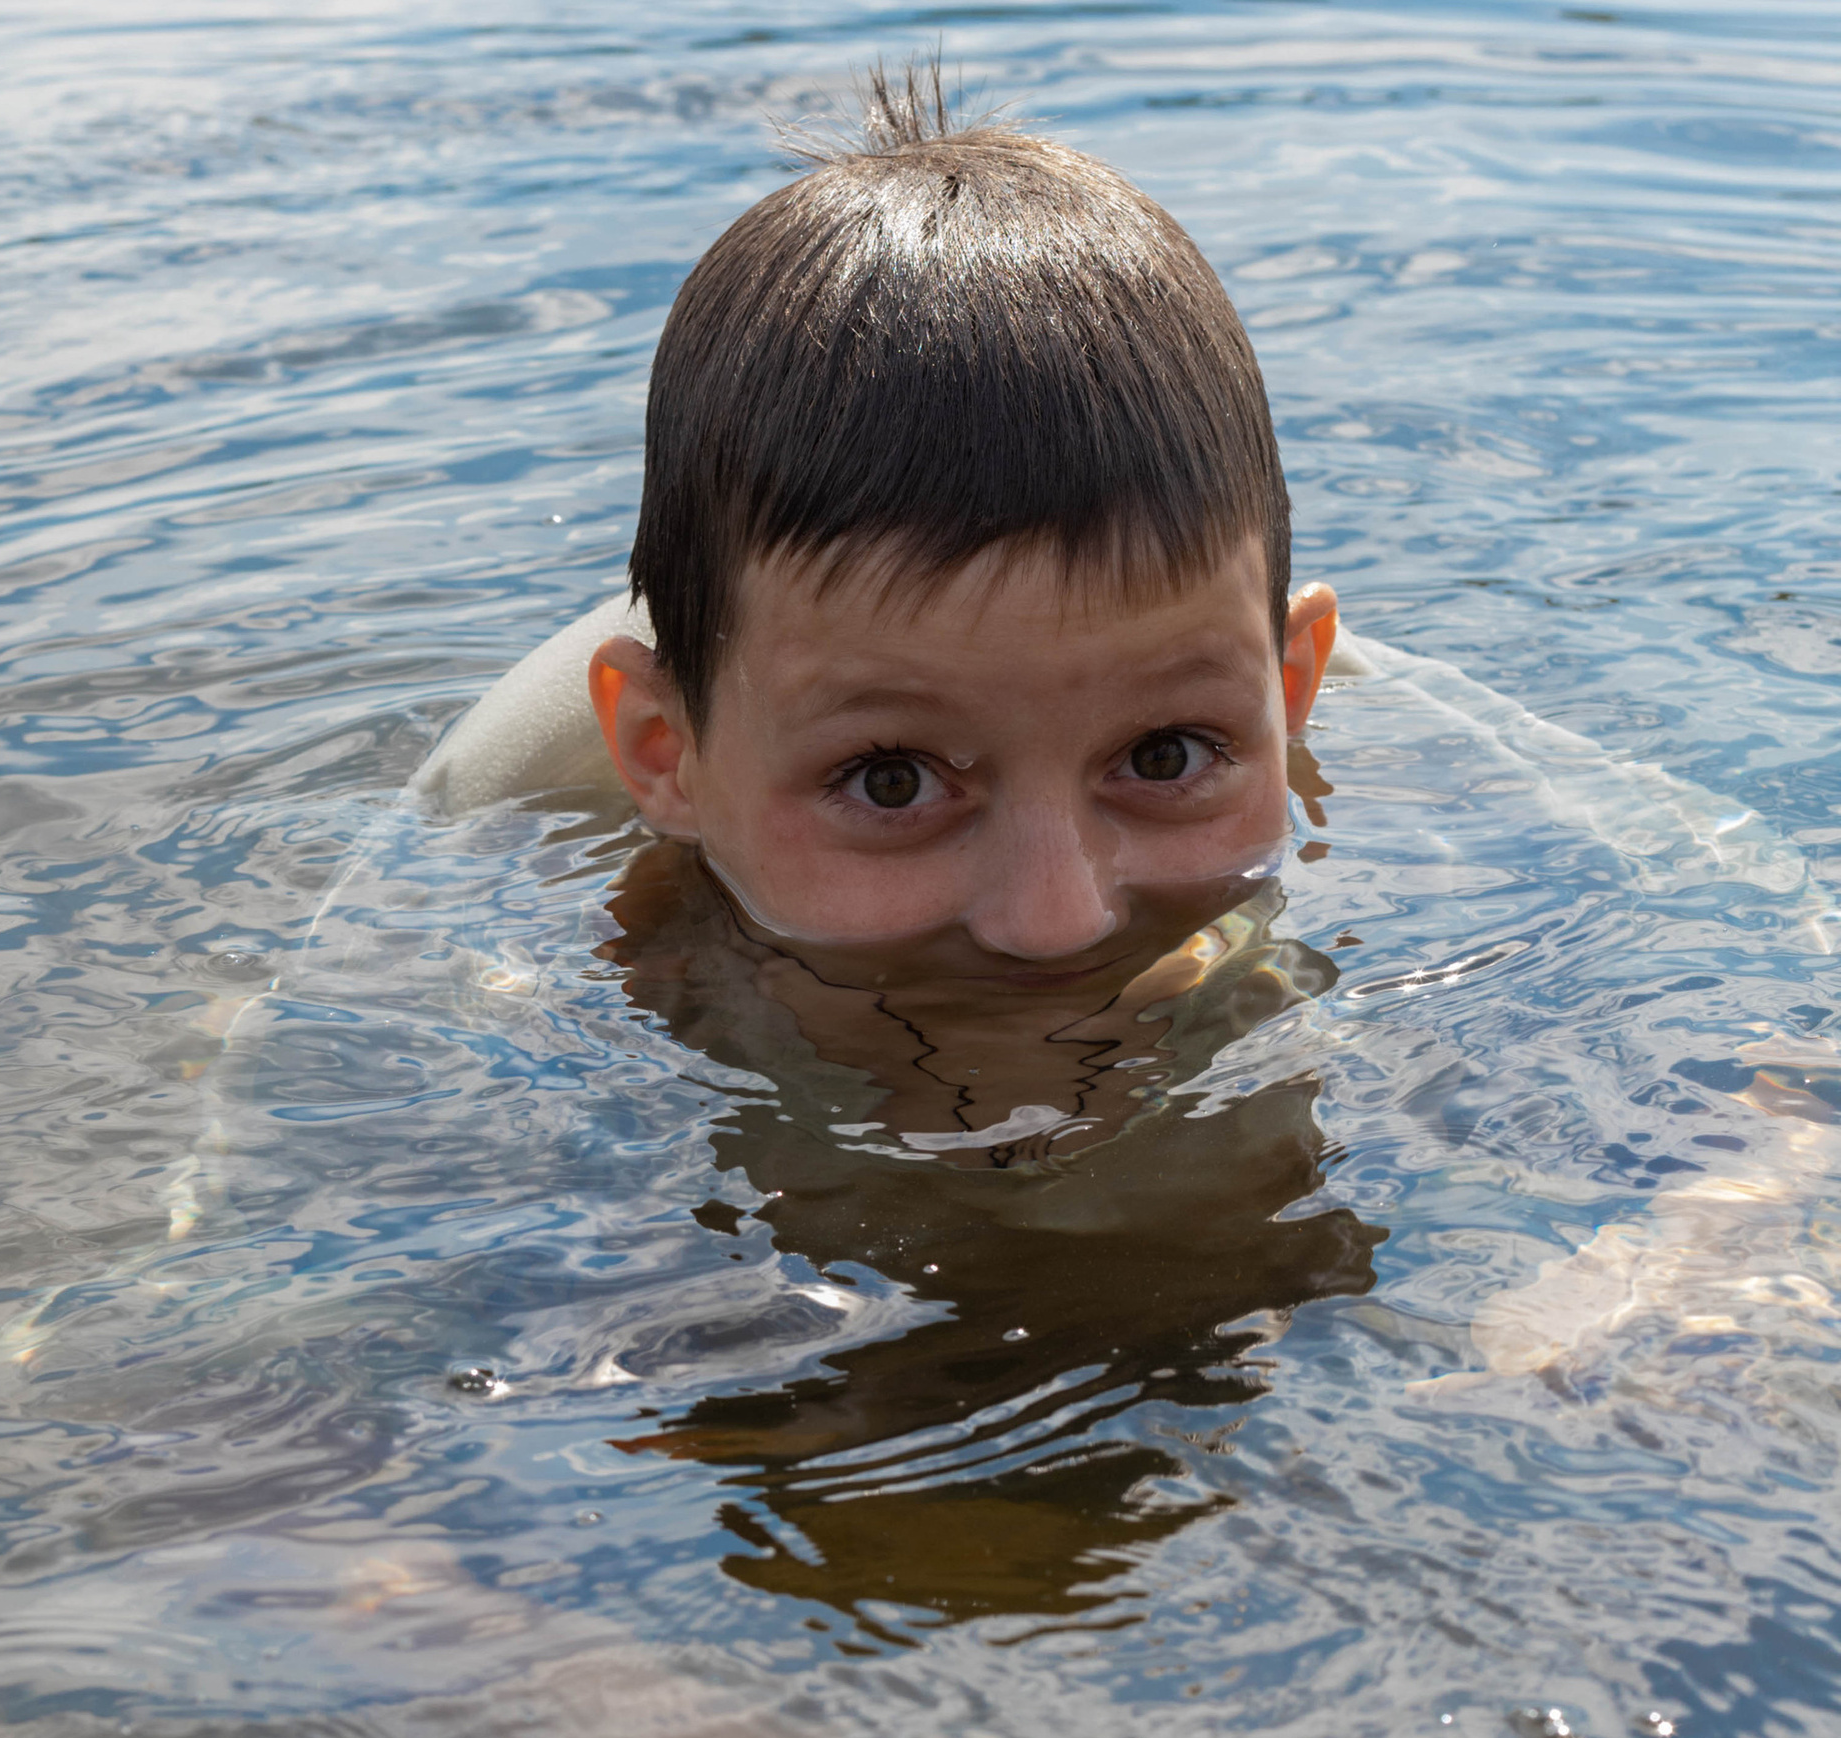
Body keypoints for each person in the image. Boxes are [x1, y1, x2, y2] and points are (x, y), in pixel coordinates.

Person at [417, 68, 1379, 1628]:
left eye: (1166, 757)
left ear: (1288, 694)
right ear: (665, 753)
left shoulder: (1475, 823)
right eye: (888, 781)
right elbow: (281, 1449)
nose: (1055, 917)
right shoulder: (518, 979)